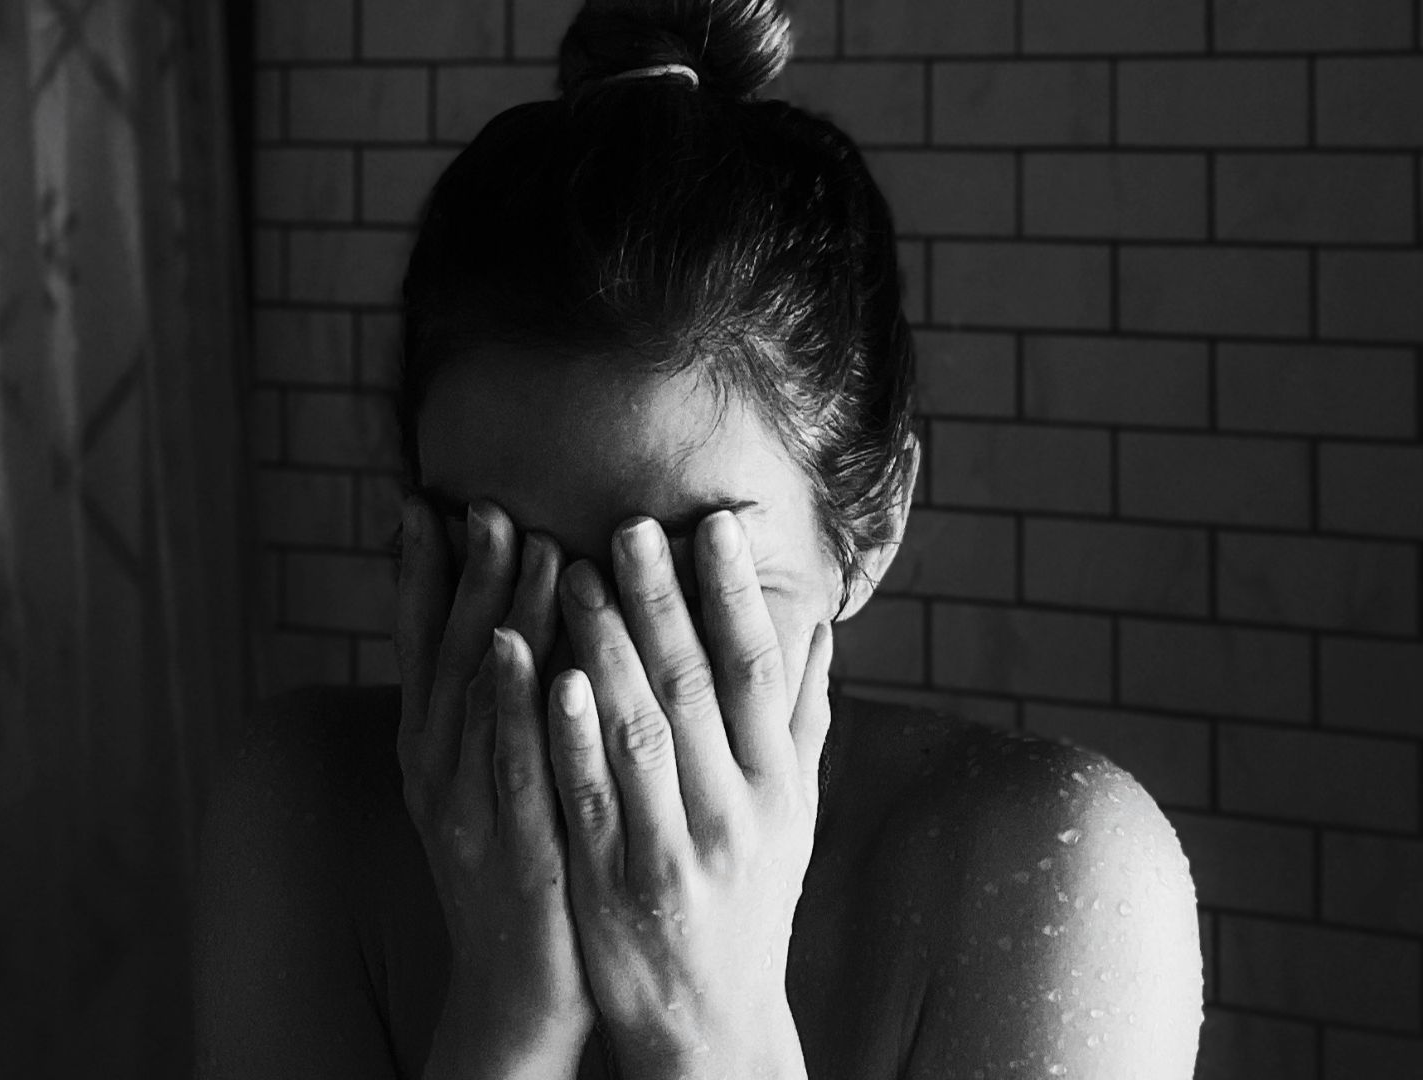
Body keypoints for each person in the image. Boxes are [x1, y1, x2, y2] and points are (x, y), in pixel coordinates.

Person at [196, 1, 1202, 1076]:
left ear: (871, 528)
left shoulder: (1057, 869)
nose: (591, 685)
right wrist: (508, 1018)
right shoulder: (300, 813)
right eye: (498, 569)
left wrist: (704, 1028)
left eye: (679, 581)